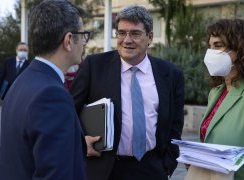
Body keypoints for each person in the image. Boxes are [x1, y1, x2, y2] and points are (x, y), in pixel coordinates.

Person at [70, 5, 185, 180]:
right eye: (121, 33)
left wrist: (167, 166)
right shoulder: (94, 66)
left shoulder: (170, 74)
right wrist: (81, 141)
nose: (127, 40)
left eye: (135, 33)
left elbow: (175, 126)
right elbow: (69, 111)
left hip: (152, 169)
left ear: (150, 37)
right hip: (105, 170)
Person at [0, 0, 89, 179]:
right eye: (83, 35)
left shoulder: (23, 80)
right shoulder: (52, 94)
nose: (85, 42)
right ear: (69, 40)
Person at [186, 19, 244, 180]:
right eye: (210, 46)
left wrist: (208, 163)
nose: (210, 53)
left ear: (242, 49)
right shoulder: (216, 92)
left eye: (218, 45)